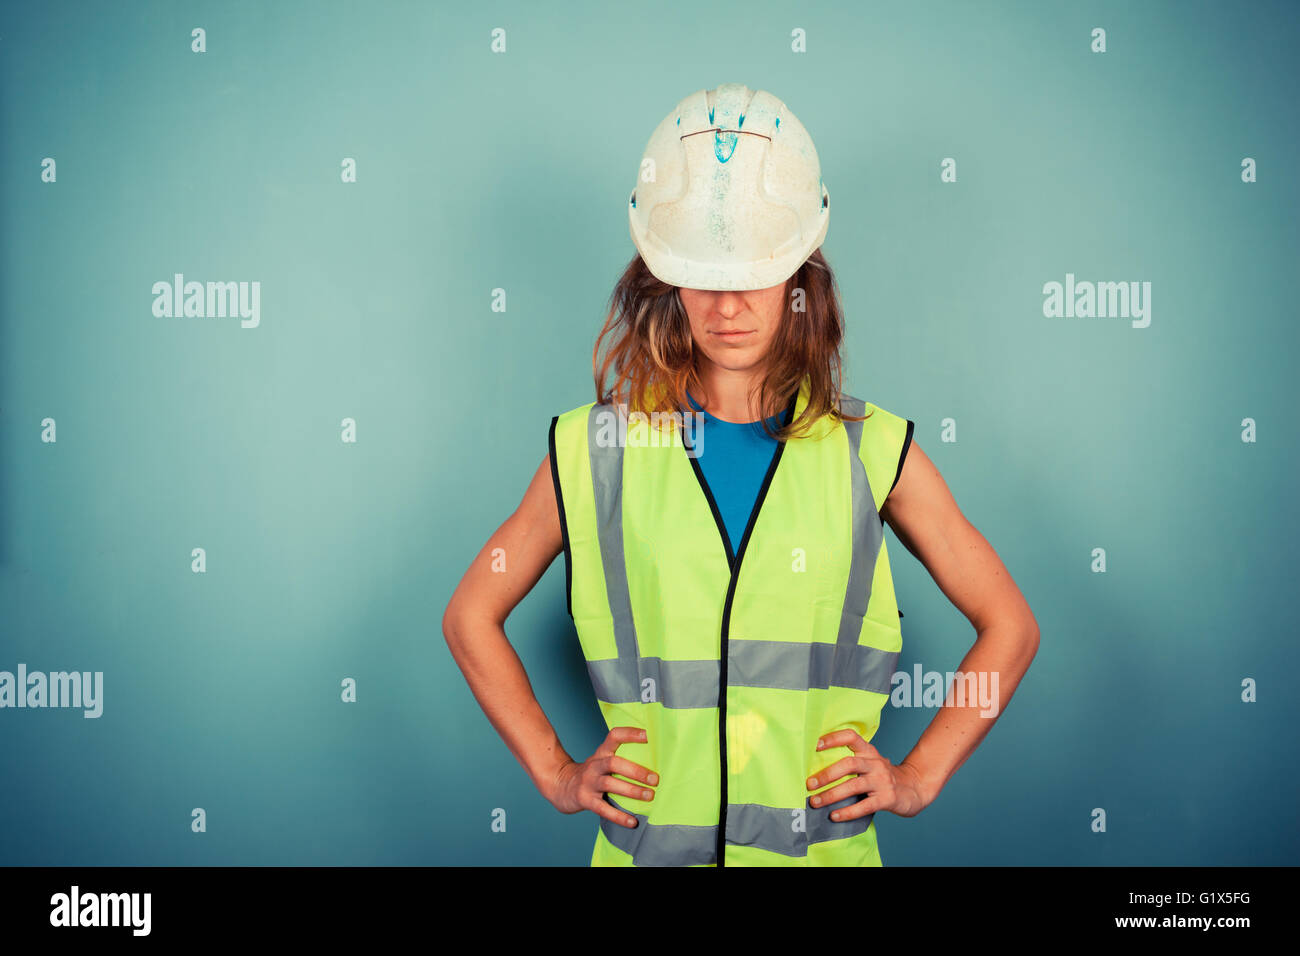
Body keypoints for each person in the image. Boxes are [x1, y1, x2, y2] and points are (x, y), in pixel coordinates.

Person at [443, 83, 1040, 867]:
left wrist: (916, 779)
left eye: (754, 272)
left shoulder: (874, 452)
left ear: (801, 276)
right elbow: (469, 616)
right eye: (702, 274)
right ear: (667, 278)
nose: (728, 305)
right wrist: (558, 773)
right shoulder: (597, 452)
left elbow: (1011, 626)